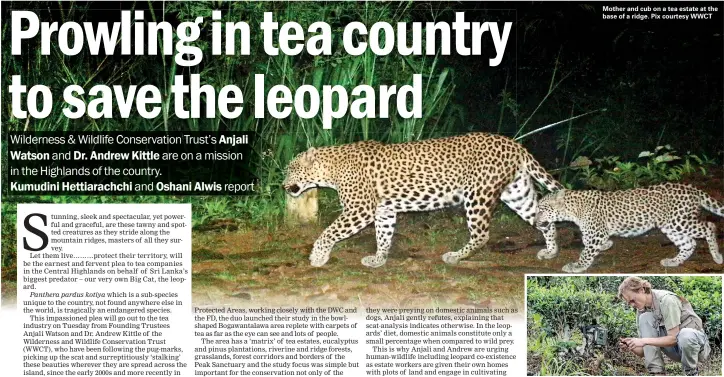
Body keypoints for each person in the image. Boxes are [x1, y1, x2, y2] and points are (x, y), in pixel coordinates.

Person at [617, 276, 711, 376]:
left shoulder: (667, 300)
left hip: (697, 348)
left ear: (641, 290)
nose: (632, 305)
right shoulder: (642, 310)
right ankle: (657, 373)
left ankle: (691, 373)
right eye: (629, 303)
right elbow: (643, 351)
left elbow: (674, 339)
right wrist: (631, 345)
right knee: (645, 318)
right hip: (676, 350)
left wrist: (643, 340)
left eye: (632, 300)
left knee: (685, 334)